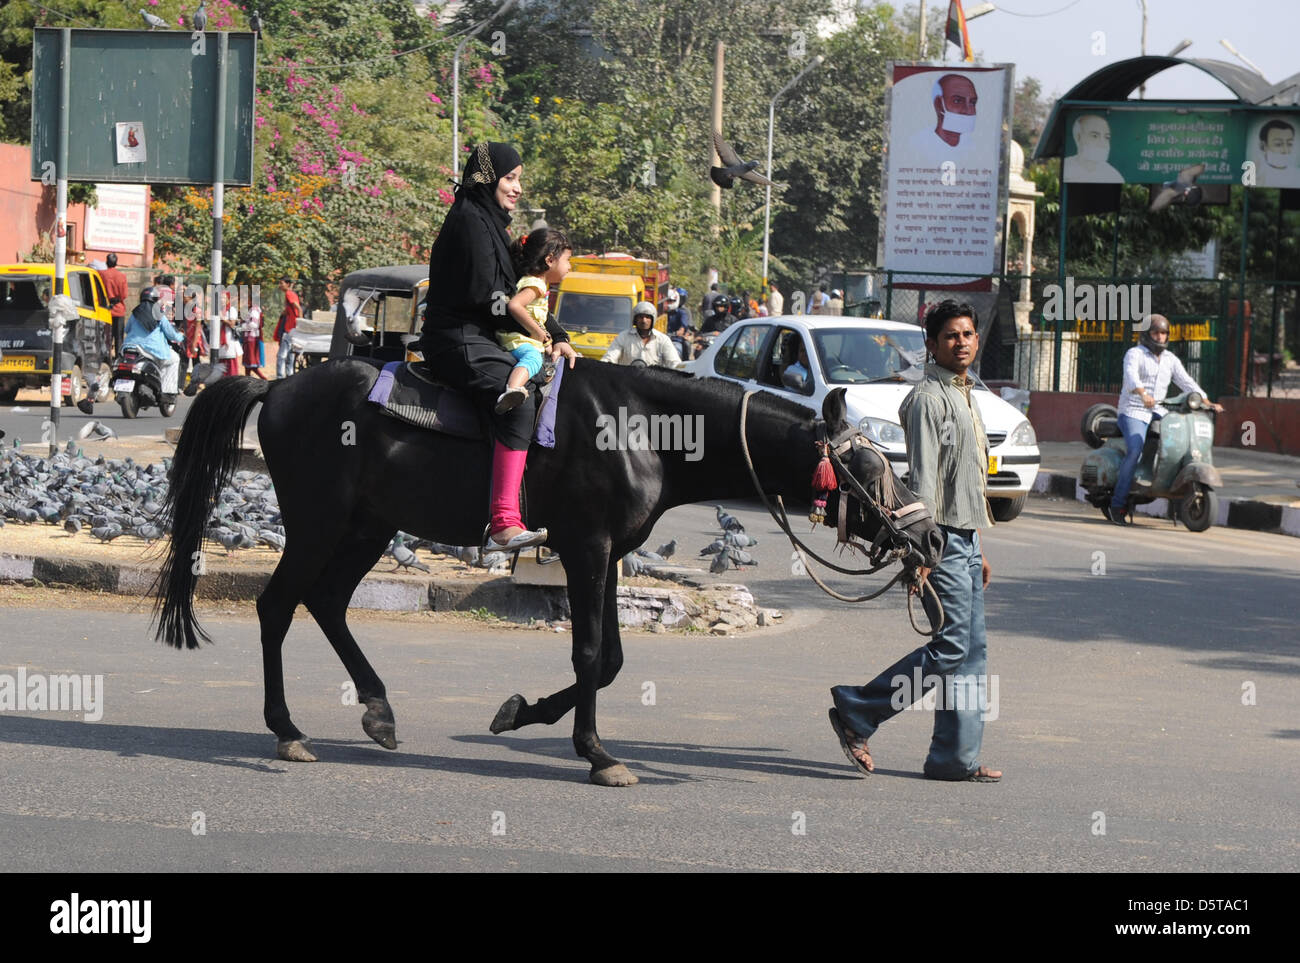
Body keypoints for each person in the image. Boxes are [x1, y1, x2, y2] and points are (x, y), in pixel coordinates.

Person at [829, 300, 1002, 783]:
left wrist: (978, 548)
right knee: (949, 648)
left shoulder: (965, 394)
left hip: (965, 540)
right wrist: (921, 555)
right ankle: (857, 712)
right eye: (951, 336)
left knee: (971, 652)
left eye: (968, 334)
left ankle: (954, 759)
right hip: (937, 541)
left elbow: (967, 482)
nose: (962, 342)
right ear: (932, 345)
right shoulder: (928, 400)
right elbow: (925, 484)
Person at [413, 142, 577, 552]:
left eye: (519, 178)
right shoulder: (469, 224)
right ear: (487, 180)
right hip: (457, 339)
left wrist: (558, 336)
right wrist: (540, 336)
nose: (518, 187)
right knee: (518, 402)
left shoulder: (492, 224)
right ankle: (504, 522)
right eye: (510, 178)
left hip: (482, 335)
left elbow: (524, 293)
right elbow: (494, 300)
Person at [1105, 314, 1223, 525]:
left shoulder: (1170, 359)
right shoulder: (1135, 354)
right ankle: (1117, 504)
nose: (1160, 337)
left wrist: (1207, 401)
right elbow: (1131, 376)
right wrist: (1143, 394)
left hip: (1159, 410)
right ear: (1147, 334)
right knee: (1135, 450)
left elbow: (1187, 382)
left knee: (1178, 442)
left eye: (1164, 333)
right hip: (1133, 411)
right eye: (1156, 332)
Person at [497, 227, 572, 412]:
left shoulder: (536, 283)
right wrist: (538, 333)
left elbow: (537, 316)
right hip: (517, 339)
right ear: (550, 260)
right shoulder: (536, 284)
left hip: (523, 337)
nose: (569, 267)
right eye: (567, 261)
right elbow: (515, 306)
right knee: (533, 359)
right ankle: (512, 390)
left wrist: (548, 340)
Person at [122, 287, 184, 400]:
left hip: (130, 347)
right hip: (151, 350)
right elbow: (171, 334)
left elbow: (126, 329)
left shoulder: (135, 313)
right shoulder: (159, 313)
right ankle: (168, 392)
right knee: (174, 359)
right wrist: (181, 337)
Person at [910, 73, 978, 155]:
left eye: (972, 102)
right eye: (957, 101)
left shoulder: (973, 148)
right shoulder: (918, 146)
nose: (968, 110)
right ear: (939, 105)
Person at [601, 301, 683, 369]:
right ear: (635, 319)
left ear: (653, 319)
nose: (644, 320)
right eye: (640, 317)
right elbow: (609, 358)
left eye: (647, 317)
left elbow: (674, 363)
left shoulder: (663, 340)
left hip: (654, 384)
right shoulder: (623, 337)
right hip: (627, 383)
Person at [1062, 114, 1125, 183]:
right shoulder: (1065, 167)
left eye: (1107, 137)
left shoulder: (1114, 177)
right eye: (1095, 136)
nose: (1103, 144)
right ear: (1078, 137)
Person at [99, 253, 129, 359]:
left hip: (104, 310)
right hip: (118, 310)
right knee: (119, 338)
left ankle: (105, 359)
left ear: (106, 262)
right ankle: (118, 360)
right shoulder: (121, 276)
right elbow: (124, 295)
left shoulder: (101, 274)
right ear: (116, 263)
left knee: (105, 338)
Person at [273, 277, 301, 379]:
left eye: (281, 283)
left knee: (281, 356)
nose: (280, 285)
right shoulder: (291, 294)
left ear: (288, 284)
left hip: (289, 329)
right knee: (290, 355)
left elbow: (297, 307)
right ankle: (290, 376)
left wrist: (300, 322)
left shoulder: (289, 294)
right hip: (292, 329)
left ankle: (280, 377)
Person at [664, 288, 694, 361]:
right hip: (663, 340)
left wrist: (677, 333)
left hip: (676, 340)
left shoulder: (682, 312)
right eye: (668, 301)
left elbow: (683, 328)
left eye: (671, 301)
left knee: (685, 346)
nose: (669, 303)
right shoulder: (662, 312)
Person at [242, 301, 267, 380]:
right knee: (247, 364)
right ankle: (247, 379)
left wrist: (242, 326)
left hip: (251, 339)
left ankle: (263, 378)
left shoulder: (254, 310)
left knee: (251, 363)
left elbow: (254, 325)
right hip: (249, 338)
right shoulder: (252, 310)